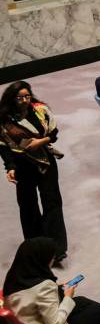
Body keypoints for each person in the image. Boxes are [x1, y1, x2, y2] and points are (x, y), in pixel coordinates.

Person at [0, 83, 68, 261]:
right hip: (22, 166)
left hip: (45, 161)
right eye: (20, 97)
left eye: (27, 96)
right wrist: (10, 167)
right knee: (27, 206)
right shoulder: (3, 119)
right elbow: (3, 147)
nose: (24, 100)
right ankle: (36, 249)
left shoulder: (40, 110)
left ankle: (57, 248)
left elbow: (53, 133)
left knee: (52, 202)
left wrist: (40, 142)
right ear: (12, 98)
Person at [3, 237, 100, 324]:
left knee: (82, 302)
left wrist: (56, 288)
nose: (52, 262)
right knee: (99, 312)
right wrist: (68, 296)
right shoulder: (45, 286)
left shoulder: (14, 278)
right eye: (51, 259)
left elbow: (32, 296)